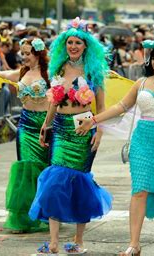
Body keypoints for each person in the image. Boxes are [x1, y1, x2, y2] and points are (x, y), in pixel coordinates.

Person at [77, 19, 154, 256]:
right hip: (143, 141)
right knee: (139, 190)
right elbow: (120, 106)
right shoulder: (141, 82)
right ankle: (134, 244)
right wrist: (94, 119)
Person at [28, 17, 112, 254]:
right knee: (54, 181)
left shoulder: (94, 71)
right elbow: (54, 101)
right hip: (61, 128)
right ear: (64, 44)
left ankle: (79, 241)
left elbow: (102, 108)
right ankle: (54, 242)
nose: (73, 46)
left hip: (84, 127)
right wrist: (46, 125)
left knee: (79, 182)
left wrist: (99, 132)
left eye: (78, 42)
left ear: (86, 45)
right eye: (69, 42)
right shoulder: (59, 68)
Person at [0, 38, 51, 233]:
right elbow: (5, 74)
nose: (23, 57)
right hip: (25, 125)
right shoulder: (22, 72)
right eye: (22, 53)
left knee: (45, 169)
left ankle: (45, 211)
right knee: (26, 168)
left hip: (44, 124)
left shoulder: (50, 73)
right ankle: (23, 216)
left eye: (27, 53)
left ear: (38, 54)